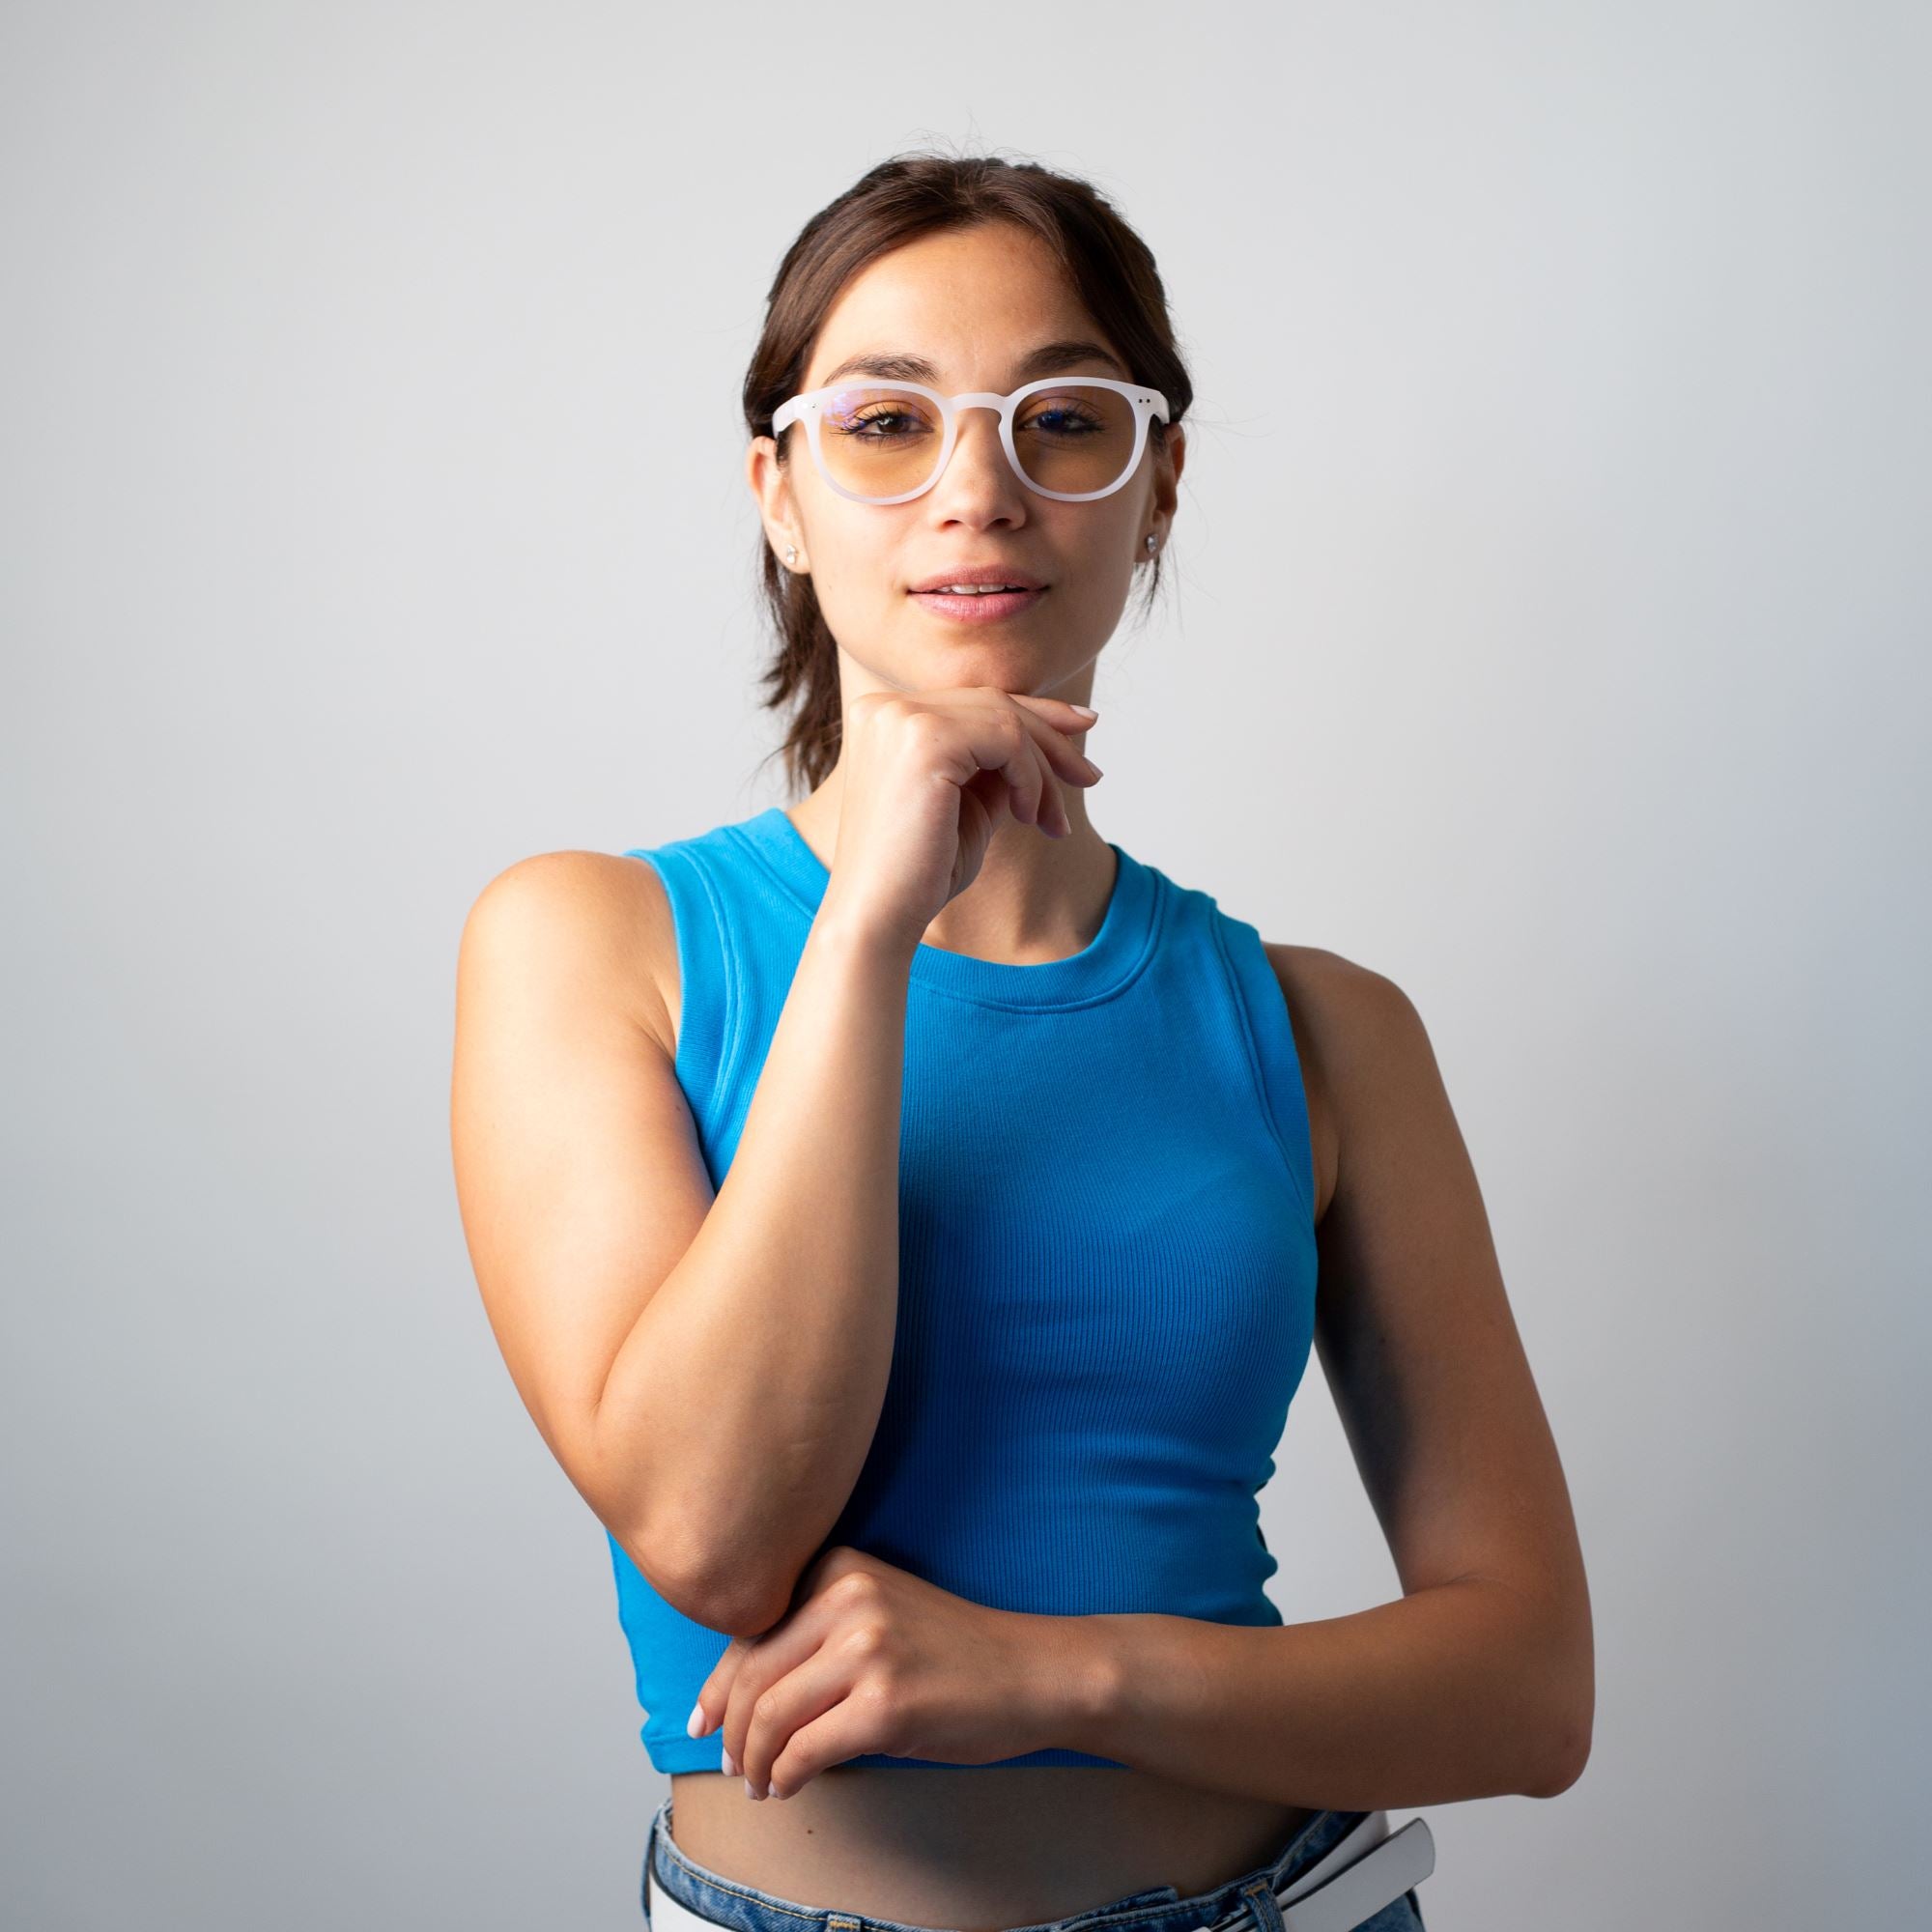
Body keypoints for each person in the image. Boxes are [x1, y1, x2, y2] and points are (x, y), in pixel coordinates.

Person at [450, 151, 1592, 1932]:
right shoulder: (596, 944)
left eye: (1063, 420)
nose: (976, 490)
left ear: (1158, 489)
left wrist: (1048, 1677)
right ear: (779, 490)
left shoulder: (1324, 1029)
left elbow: (1529, 1691)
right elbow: (715, 1530)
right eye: (887, 422)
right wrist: (870, 926)